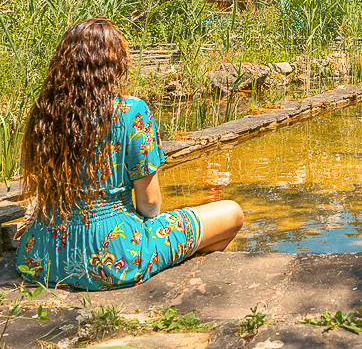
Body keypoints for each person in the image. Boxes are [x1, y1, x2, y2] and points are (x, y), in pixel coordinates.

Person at [16, 17, 244, 290]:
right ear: (114, 64)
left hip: (42, 255)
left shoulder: (44, 112)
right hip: (111, 257)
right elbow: (149, 204)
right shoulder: (129, 112)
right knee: (231, 213)